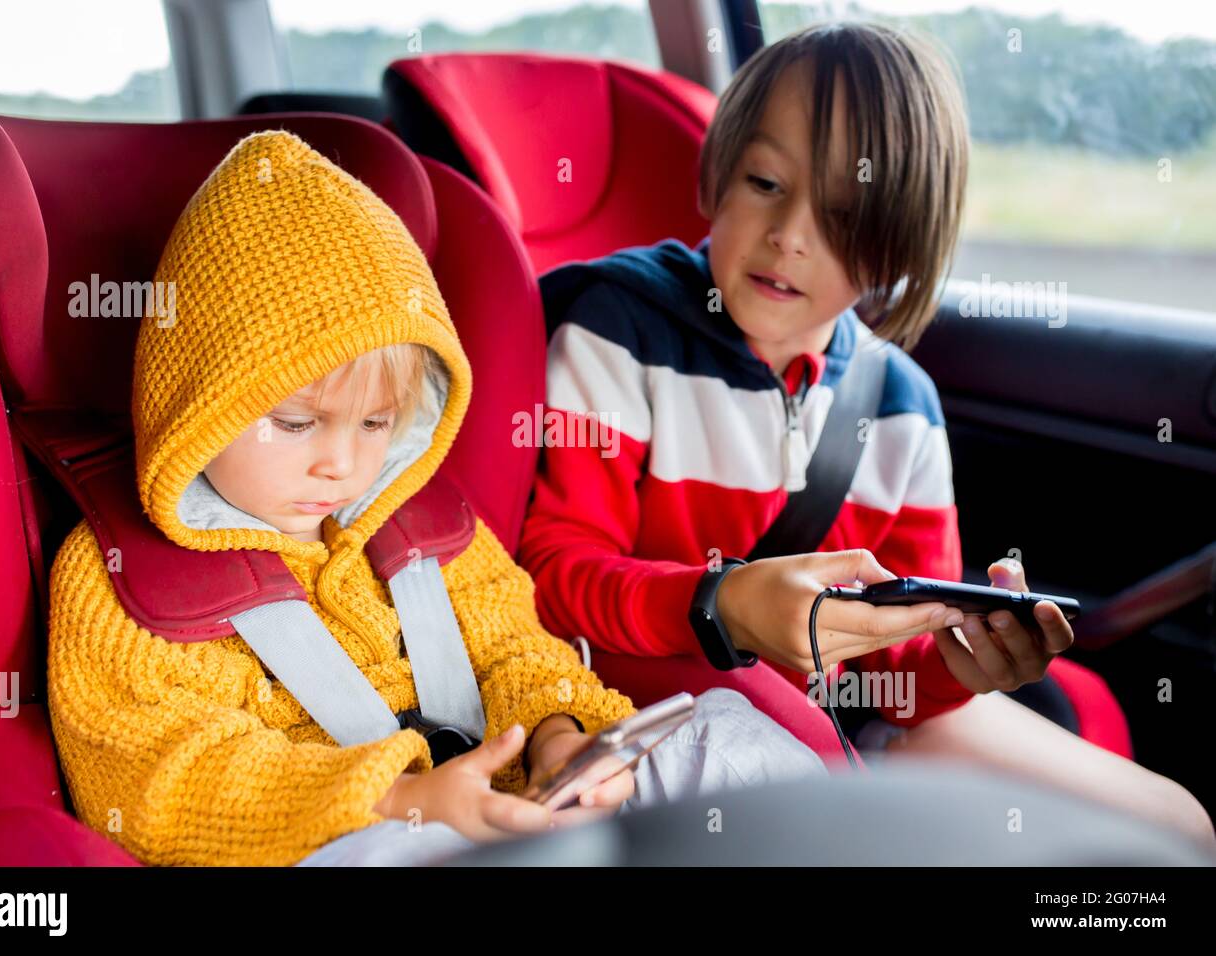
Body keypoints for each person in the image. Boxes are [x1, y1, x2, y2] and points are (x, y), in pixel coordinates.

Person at [45, 129, 831, 868]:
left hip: (507, 799)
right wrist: (404, 799)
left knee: (725, 739)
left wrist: (562, 736)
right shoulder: (118, 578)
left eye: (376, 423)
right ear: (199, 405)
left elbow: (514, 647)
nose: (342, 463)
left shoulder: (425, 525)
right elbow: (157, 781)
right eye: (295, 424)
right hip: (342, 838)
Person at [518, 21, 1214, 846]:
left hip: (850, 724)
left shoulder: (900, 407)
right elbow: (549, 582)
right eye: (766, 181)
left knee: (1182, 831)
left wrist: (959, 667)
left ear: (899, 242)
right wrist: (722, 607)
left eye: (845, 215)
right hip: (665, 707)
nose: (792, 235)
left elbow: (893, 681)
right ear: (715, 177)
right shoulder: (616, 337)